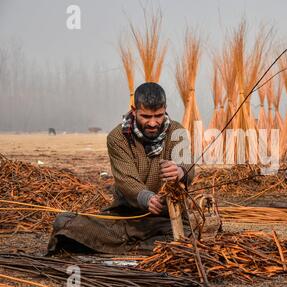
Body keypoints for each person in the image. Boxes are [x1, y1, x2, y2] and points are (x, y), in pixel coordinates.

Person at [47, 82, 194, 254]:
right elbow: (126, 179)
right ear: (134, 110)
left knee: (191, 232)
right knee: (64, 222)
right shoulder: (117, 138)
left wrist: (180, 171)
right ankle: (145, 246)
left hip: (166, 217)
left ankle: (122, 246)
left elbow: (188, 165)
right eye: (146, 116)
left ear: (165, 109)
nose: (153, 123)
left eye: (158, 116)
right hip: (126, 217)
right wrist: (146, 198)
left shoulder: (177, 131)